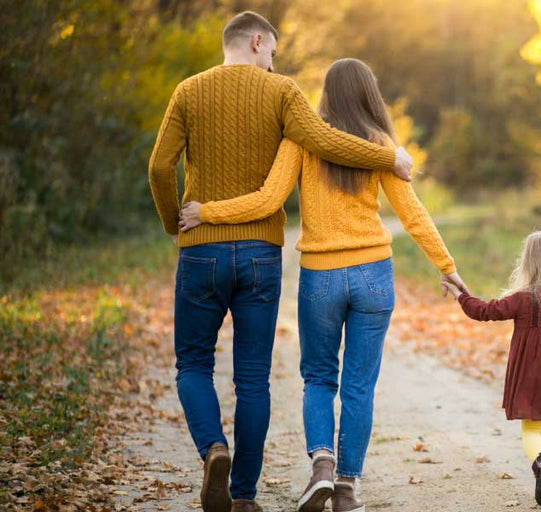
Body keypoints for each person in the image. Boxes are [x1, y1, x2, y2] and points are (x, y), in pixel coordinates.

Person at [147, 11, 416, 512]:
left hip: (200, 250)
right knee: (252, 378)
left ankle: (213, 448)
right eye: (271, 50)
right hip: (260, 254)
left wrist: (174, 224)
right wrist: (388, 156)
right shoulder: (282, 92)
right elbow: (326, 141)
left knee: (192, 363)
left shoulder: (188, 90)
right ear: (255, 41)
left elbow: (160, 166)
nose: (273, 60)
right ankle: (244, 495)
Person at [177, 58, 467, 512]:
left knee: (318, 377)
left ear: (326, 95)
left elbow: (268, 200)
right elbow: (413, 214)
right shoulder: (380, 145)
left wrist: (206, 212)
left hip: (321, 277)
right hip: (374, 274)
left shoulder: (303, 140)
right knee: (359, 385)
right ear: (370, 94)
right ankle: (346, 491)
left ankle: (322, 468)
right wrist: (445, 266)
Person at [439, 231, 541, 506]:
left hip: (531, 374)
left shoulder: (521, 299)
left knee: (532, 428)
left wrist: (460, 293)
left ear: (528, 261)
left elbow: (483, 311)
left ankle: (540, 465)